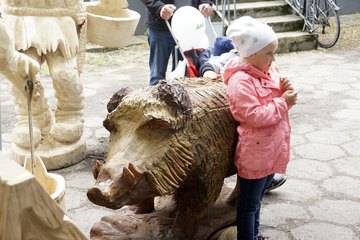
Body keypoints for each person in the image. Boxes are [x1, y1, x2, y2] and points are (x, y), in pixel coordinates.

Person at [223, 16, 297, 239]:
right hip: (256, 154)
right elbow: (253, 115)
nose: (274, 59)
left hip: (271, 149)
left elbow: (273, 104)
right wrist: (284, 102)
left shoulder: (267, 69)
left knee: (258, 199)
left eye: (274, 52)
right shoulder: (240, 82)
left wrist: (284, 90)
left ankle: (254, 235)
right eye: (269, 53)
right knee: (249, 205)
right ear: (251, 54)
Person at [2, 0, 86, 148]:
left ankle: (70, 113)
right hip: (22, 14)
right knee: (23, 73)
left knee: (64, 72)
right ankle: (32, 117)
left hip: (60, 14)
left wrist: (77, 8)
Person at [141, 0, 213, 86]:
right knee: (157, 78)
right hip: (161, 26)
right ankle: (155, 98)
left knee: (184, 77)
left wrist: (205, 2)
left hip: (189, 28)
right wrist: (159, 7)